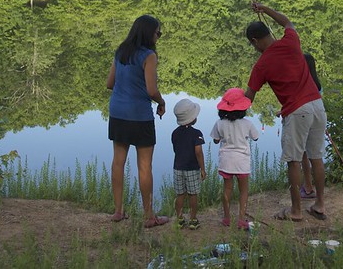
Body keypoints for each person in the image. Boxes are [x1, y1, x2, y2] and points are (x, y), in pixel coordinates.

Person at [244, 3, 328, 222]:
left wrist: (230, 112)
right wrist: (265, 9)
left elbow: (248, 97)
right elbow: (287, 21)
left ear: (254, 41)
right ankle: (319, 205)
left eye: (252, 45)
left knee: (293, 161)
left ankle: (296, 211)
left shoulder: (261, 65)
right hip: (317, 105)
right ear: (269, 33)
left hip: (297, 111)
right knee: (317, 156)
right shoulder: (291, 41)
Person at [106, 14, 169, 228]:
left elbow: (109, 83)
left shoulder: (121, 51)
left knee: (118, 162)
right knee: (144, 166)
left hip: (117, 112)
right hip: (139, 116)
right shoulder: (148, 56)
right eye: (157, 33)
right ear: (148, 33)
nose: (158, 37)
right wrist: (161, 101)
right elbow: (151, 90)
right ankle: (149, 216)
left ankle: (117, 212)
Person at [210, 87, 260, 230]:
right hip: (242, 161)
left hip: (226, 161)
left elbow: (215, 140)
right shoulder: (247, 123)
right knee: (243, 190)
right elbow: (255, 137)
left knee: (227, 189)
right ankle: (241, 219)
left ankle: (226, 218)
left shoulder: (219, 123)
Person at [171, 98, 207, 230]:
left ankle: (179, 219)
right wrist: (203, 169)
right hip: (192, 168)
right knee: (193, 194)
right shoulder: (197, 134)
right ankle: (193, 219)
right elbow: (199, 153)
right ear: (193, 119)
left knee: (180, 194)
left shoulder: (174, 133)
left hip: (177, 167)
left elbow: (176, 149)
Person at [300, 52, 322, 200]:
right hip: (317, 118)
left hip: (302, 119)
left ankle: (308, 187)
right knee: (316, 156)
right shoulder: (317, 84)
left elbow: (300, 103)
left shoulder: (301, 83)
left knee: (303, 155)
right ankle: (319, 195)